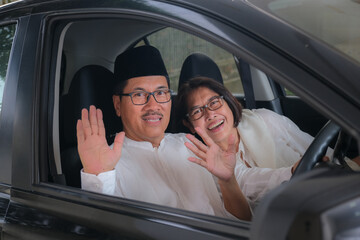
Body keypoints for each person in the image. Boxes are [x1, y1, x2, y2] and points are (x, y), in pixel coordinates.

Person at [78, 45, 252, 220]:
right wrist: (97, 178)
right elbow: (102, 227)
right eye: (139, 95)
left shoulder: (193, 145)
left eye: (161, 92)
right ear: (118, 105)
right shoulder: (108, 166)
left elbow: (243, 222)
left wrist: (228, 182)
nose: (153, 105)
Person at [174, 77, 360, 192]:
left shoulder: (265, 119)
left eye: (214, 102)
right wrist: (294, 172)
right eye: (197, 112)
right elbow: (247, 182)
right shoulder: (204, 162)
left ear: (229, 101)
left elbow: (325, 154)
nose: (210, 114)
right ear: (189, 125)